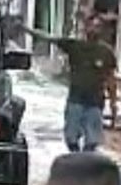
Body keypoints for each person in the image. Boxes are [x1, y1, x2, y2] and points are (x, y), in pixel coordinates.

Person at [29, 16, 118, 152]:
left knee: (93, 140)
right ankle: (76, 156)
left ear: (102, 31)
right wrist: (26, 29)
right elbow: (49, 38)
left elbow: (110, 79)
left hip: (95, 102)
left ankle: (85, 161)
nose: (94, 30)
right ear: (85, 28)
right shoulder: (74, 46)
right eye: (91, 26)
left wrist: (113, 104)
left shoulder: (106, 53)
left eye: (98, 27)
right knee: (71, 137)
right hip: (75, 99)